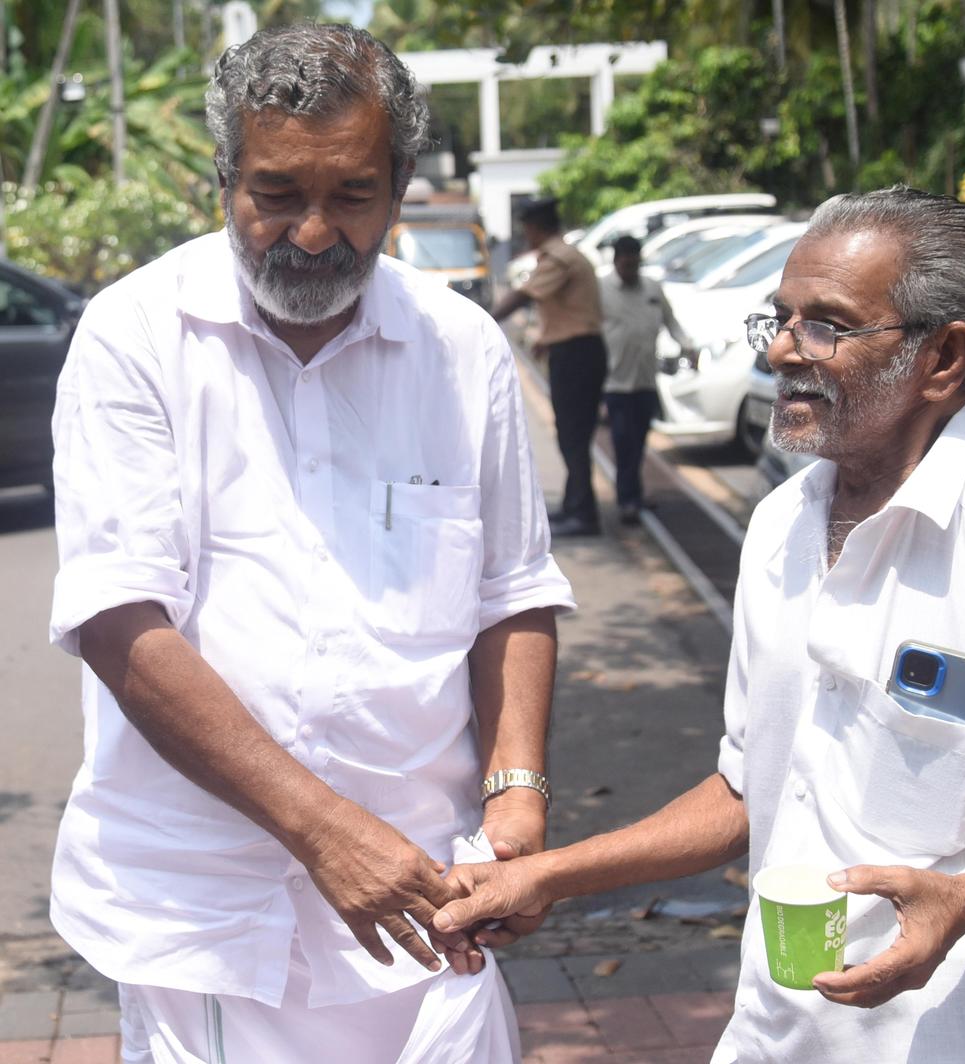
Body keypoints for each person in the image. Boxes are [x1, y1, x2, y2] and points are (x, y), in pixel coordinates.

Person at [434, 187, 965, 1063]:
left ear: (942, 358)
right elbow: (749, 789)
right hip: (775, 1030)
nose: (780, 348)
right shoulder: (782, 524)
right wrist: (548, 875)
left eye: (827, 325)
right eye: (781, 316)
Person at [48, 23, 574, 1064]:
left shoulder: (460, 346)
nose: (315, 232)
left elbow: (511, 593)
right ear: (225, 178)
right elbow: (120, 623)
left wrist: (516, 794)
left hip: (434, 904)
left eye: (354, 195)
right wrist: (327, 832)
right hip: (207, 918)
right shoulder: (135, 335)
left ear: (401, 184)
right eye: (278, 194)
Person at [492, 198, 606, 537]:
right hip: (576, 349)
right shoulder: (568, 254)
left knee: (573, 435)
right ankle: (575, 505)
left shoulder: (558, 258)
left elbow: (523, 294)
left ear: (537, 227)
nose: (525, 235)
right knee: (573, 434)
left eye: (527, 228)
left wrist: (482, 318)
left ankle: (584, 513)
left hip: (576, 354)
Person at [600, 235, 694, 524]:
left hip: (645, 381)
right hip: (616, 383)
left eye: (634, 262)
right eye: (624, 262)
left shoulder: (651, 288)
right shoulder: (601, 290)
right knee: (622, 441)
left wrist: (687, 345)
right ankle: (627, 500)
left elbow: (671, 321)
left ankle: (635, 496)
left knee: (638, 443)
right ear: (616, 261)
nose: (629, 268)